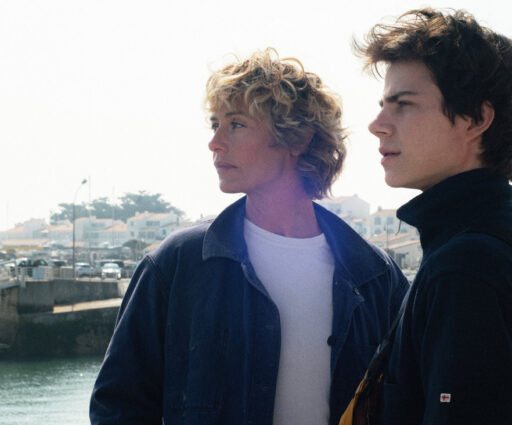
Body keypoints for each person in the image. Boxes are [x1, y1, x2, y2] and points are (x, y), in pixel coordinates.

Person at [90, 48, 408, 425]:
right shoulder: (177, 263)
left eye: (236, 124)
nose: (215, 142)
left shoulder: (375, 275)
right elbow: (118, 404)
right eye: (215, 124)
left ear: (298, 138)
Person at [353, 8, 512, 424]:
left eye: (403, 105)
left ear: (477, 119)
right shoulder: (511, 242)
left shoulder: (468, 265)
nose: (377, 125)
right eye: (383, 106)